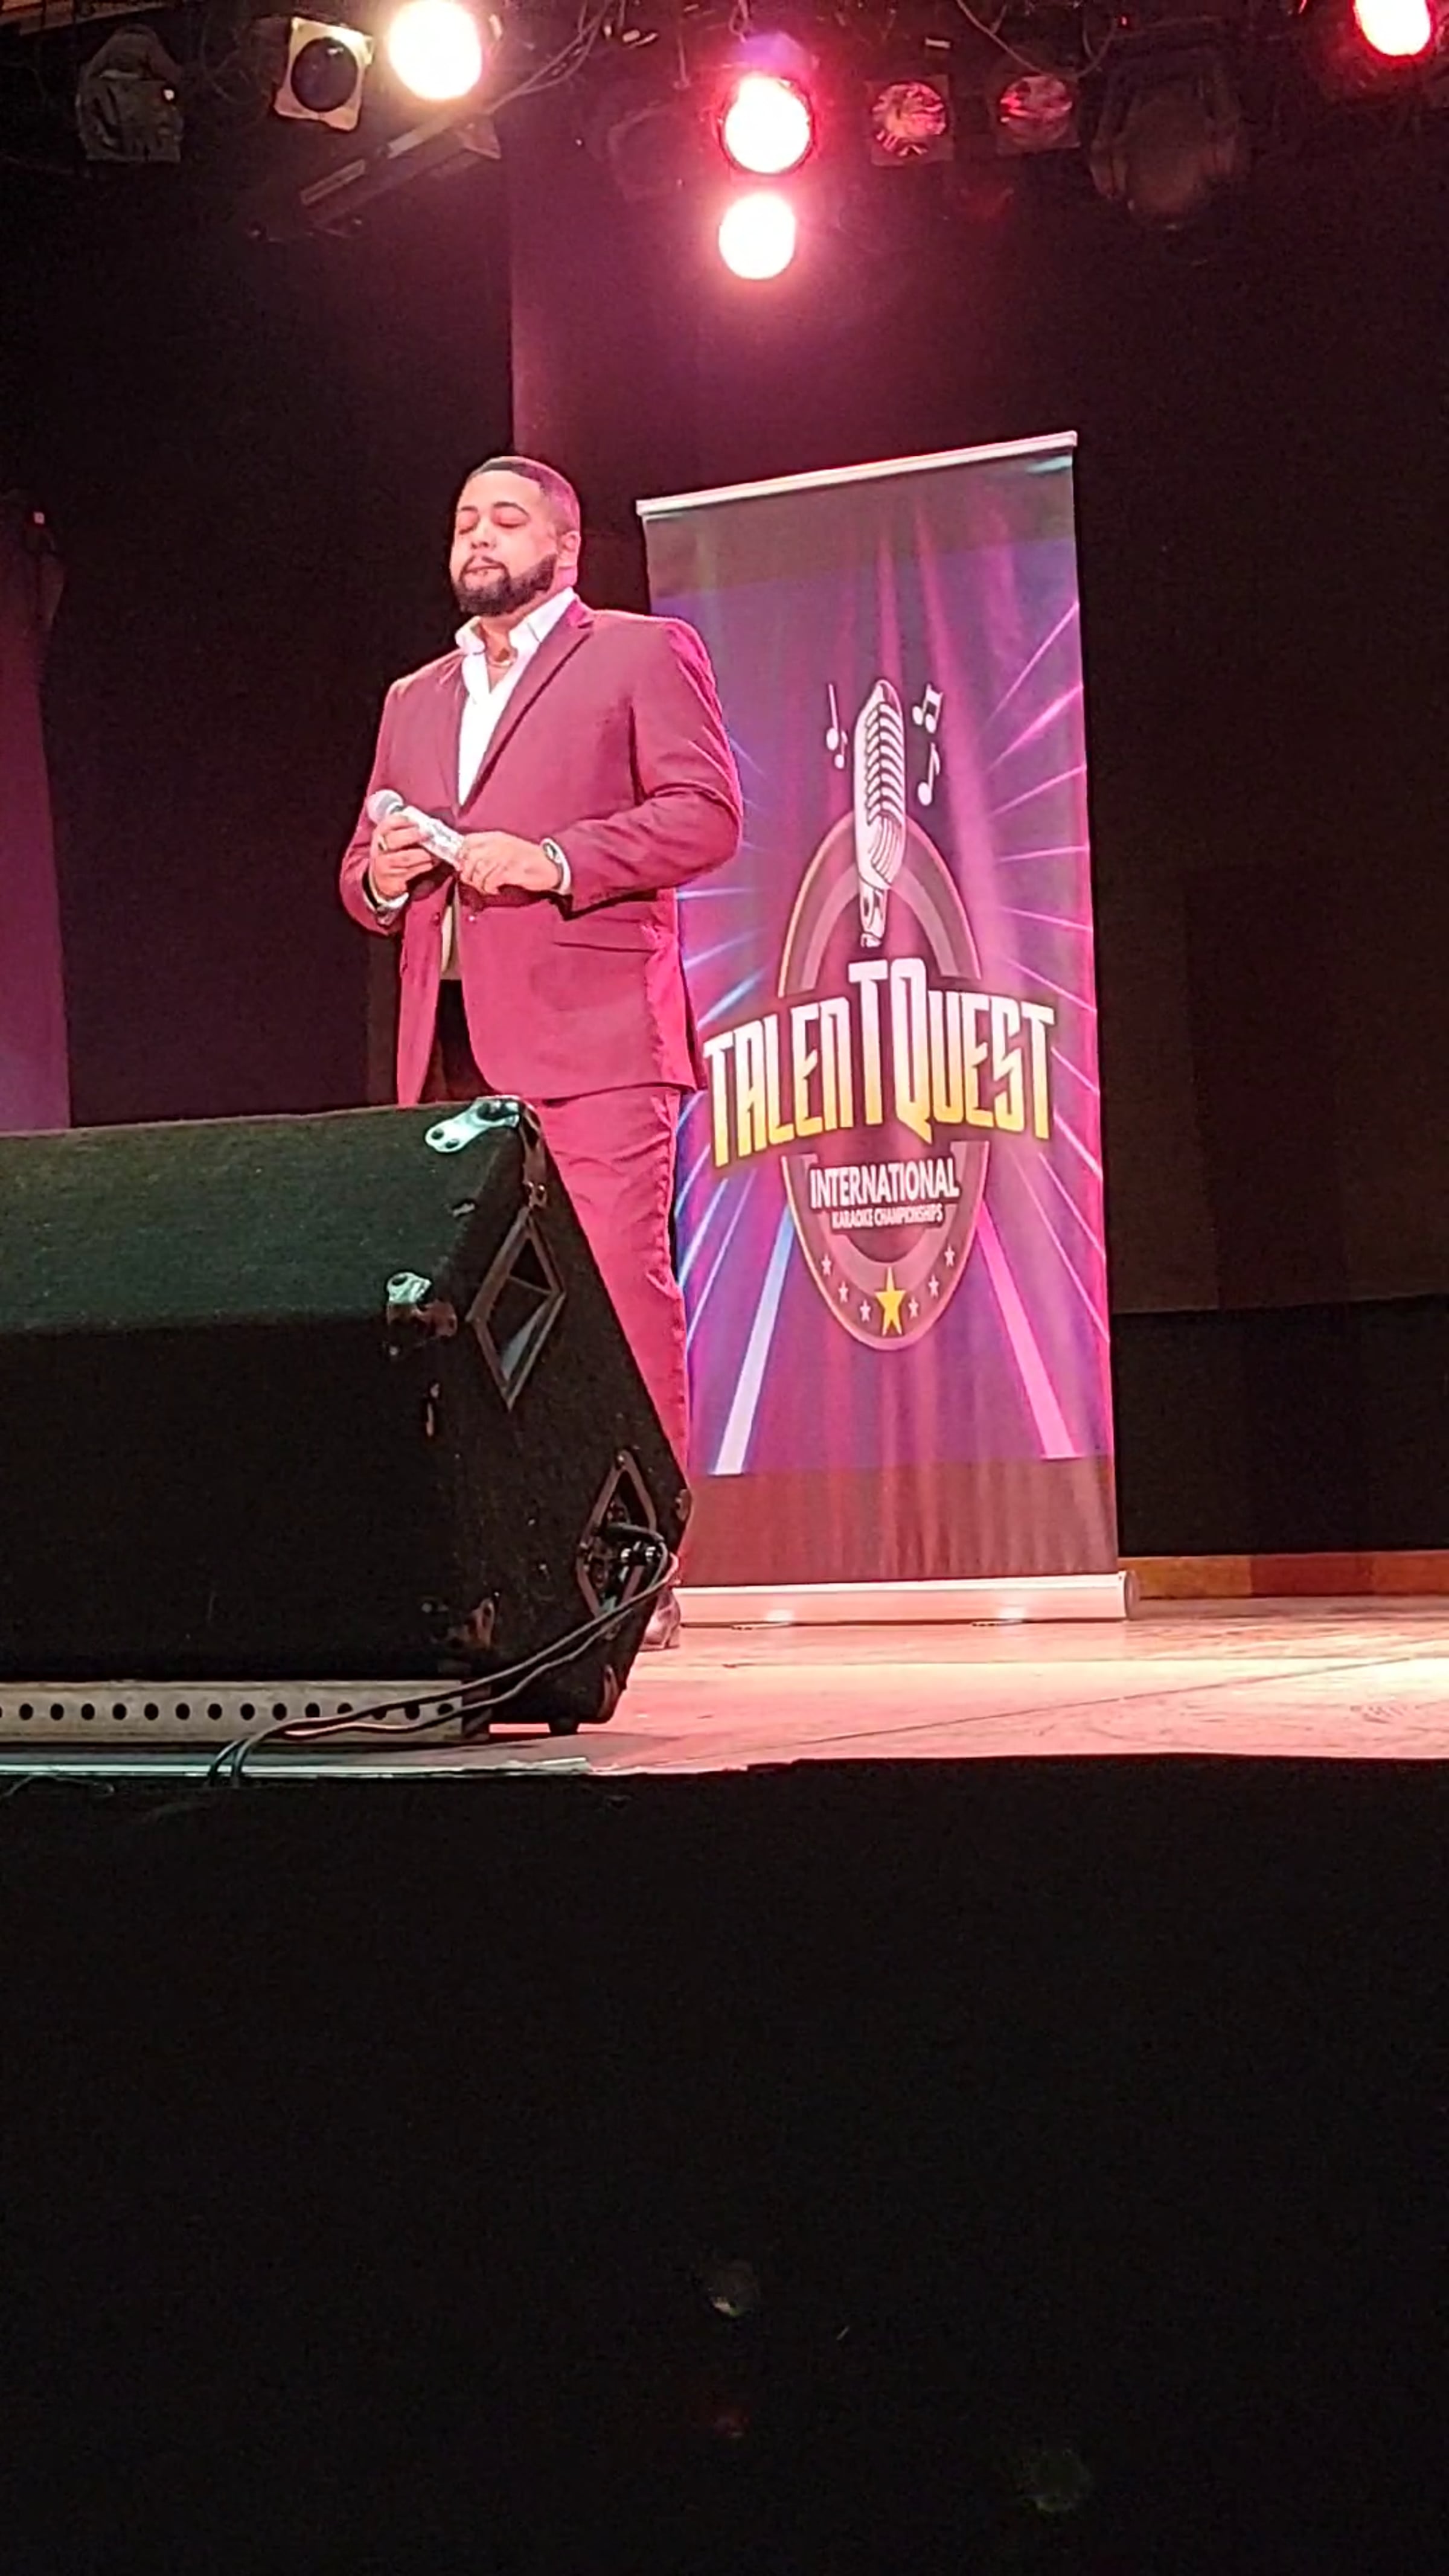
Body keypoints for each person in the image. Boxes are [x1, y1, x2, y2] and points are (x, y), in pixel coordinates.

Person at [339, 455, 743, 1647]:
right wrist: (383, 876)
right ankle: (500, 1564)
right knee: (465, 1316)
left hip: (595, 1035)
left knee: (614, 1295)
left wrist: (556, 861)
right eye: (464, 518)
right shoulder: (414, 697)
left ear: (562, 548)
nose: (478, 535)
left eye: (505, 518)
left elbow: (706, 814)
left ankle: (634, 1569)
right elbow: (360, 875)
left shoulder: (638, 653)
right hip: (449, 1052)